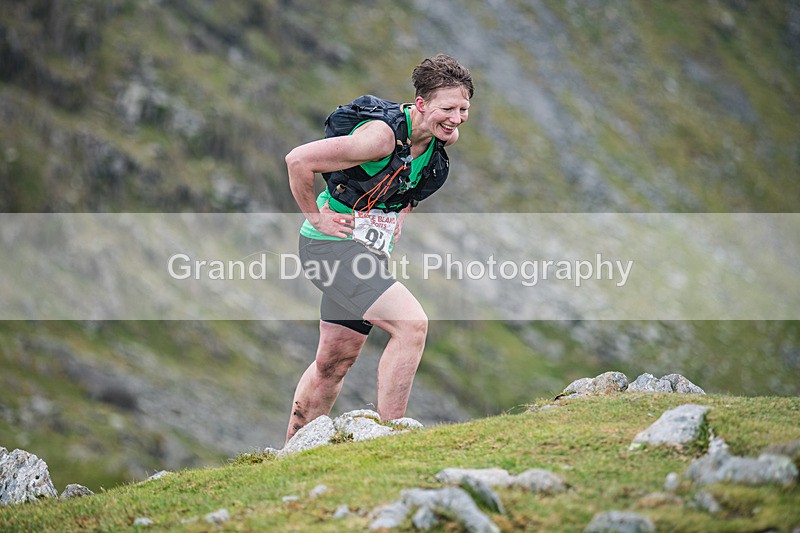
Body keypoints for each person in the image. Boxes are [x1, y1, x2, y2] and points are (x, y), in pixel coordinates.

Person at [284, 54, 473, 442]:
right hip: (330, 248)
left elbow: (405, 185)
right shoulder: (380, 137)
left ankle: (291, 452)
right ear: (420, 104)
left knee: (334, 362)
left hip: (365, 254)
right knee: (411, 325)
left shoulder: (437, 138)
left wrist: (398, 217)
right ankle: (392, 441)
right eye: (447, 109)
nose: (456, 119)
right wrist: (315, 217)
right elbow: (298, 160)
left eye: (464, 108)